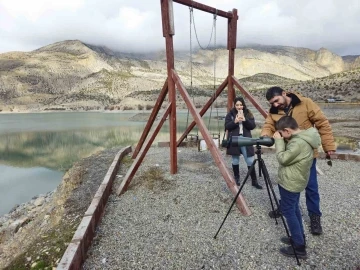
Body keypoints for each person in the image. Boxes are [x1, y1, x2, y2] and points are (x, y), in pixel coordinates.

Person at [261, 86, 336, 235]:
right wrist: (265, 136)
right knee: (286, 183)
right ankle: (286, 207)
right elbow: (268, 125)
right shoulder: (274, 111)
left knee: (311, 188)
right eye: (271, 103)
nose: (275, 105)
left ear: (284, 93)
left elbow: (322, 124)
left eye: (276, 101)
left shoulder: (306, 103)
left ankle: (315, 217)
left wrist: (329, 147)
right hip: (288, 154)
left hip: (306, 155)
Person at [273, 116, 321, 258]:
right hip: (297, 180)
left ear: (287, 131)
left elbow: (283, 158)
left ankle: (299, 248)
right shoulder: (305, 137)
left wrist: (279, 141)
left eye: (281, 133)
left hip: (290, 183)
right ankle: (298, 237)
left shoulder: (297, 144)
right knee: (294, 209)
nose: (281, 136)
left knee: (289, 212)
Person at [225, 96, 262, 189]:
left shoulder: (248, 113)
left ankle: (254, 181)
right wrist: (235, 121)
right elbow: (227, 127)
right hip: (235, 139)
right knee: (235, 159)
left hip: (246, 139)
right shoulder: (230, 114)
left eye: (241, 105)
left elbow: (252, 126)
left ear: (243, 105)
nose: (239, 107)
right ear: (234, 105)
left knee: (250, 160)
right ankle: (237, 178)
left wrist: (245, 120)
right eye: (237, 105)